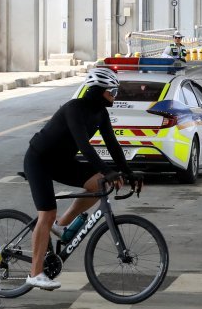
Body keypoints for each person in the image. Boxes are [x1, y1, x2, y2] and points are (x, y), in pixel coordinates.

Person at [22, 67, 134, 290]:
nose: (114, 95)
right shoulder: (74, 109)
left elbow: (112, 144)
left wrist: (127, 172)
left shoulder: (100, 113)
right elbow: (84, 145)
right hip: (39, 160)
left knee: (98, 183)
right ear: (98, 90)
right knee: (46, 213)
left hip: (62, 161)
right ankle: (35, 273)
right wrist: (107, 169)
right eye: (112, 91)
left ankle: (61, 226)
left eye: (116, 91)